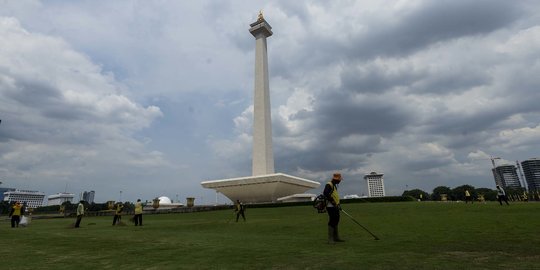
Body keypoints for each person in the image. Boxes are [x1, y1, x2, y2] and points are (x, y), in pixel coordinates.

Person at [324, 173, 344, 244]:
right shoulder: (329, 184)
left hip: (335, 206)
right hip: (330, 206)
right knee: (332, 220)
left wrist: (338, 204)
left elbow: (334, 195)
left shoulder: (334, 185)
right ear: (336, 179)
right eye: (339, 180)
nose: (340, 181)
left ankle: (336, 237)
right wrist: (333, 202)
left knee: (336, 219)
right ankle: (330, 239)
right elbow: (325, 193)